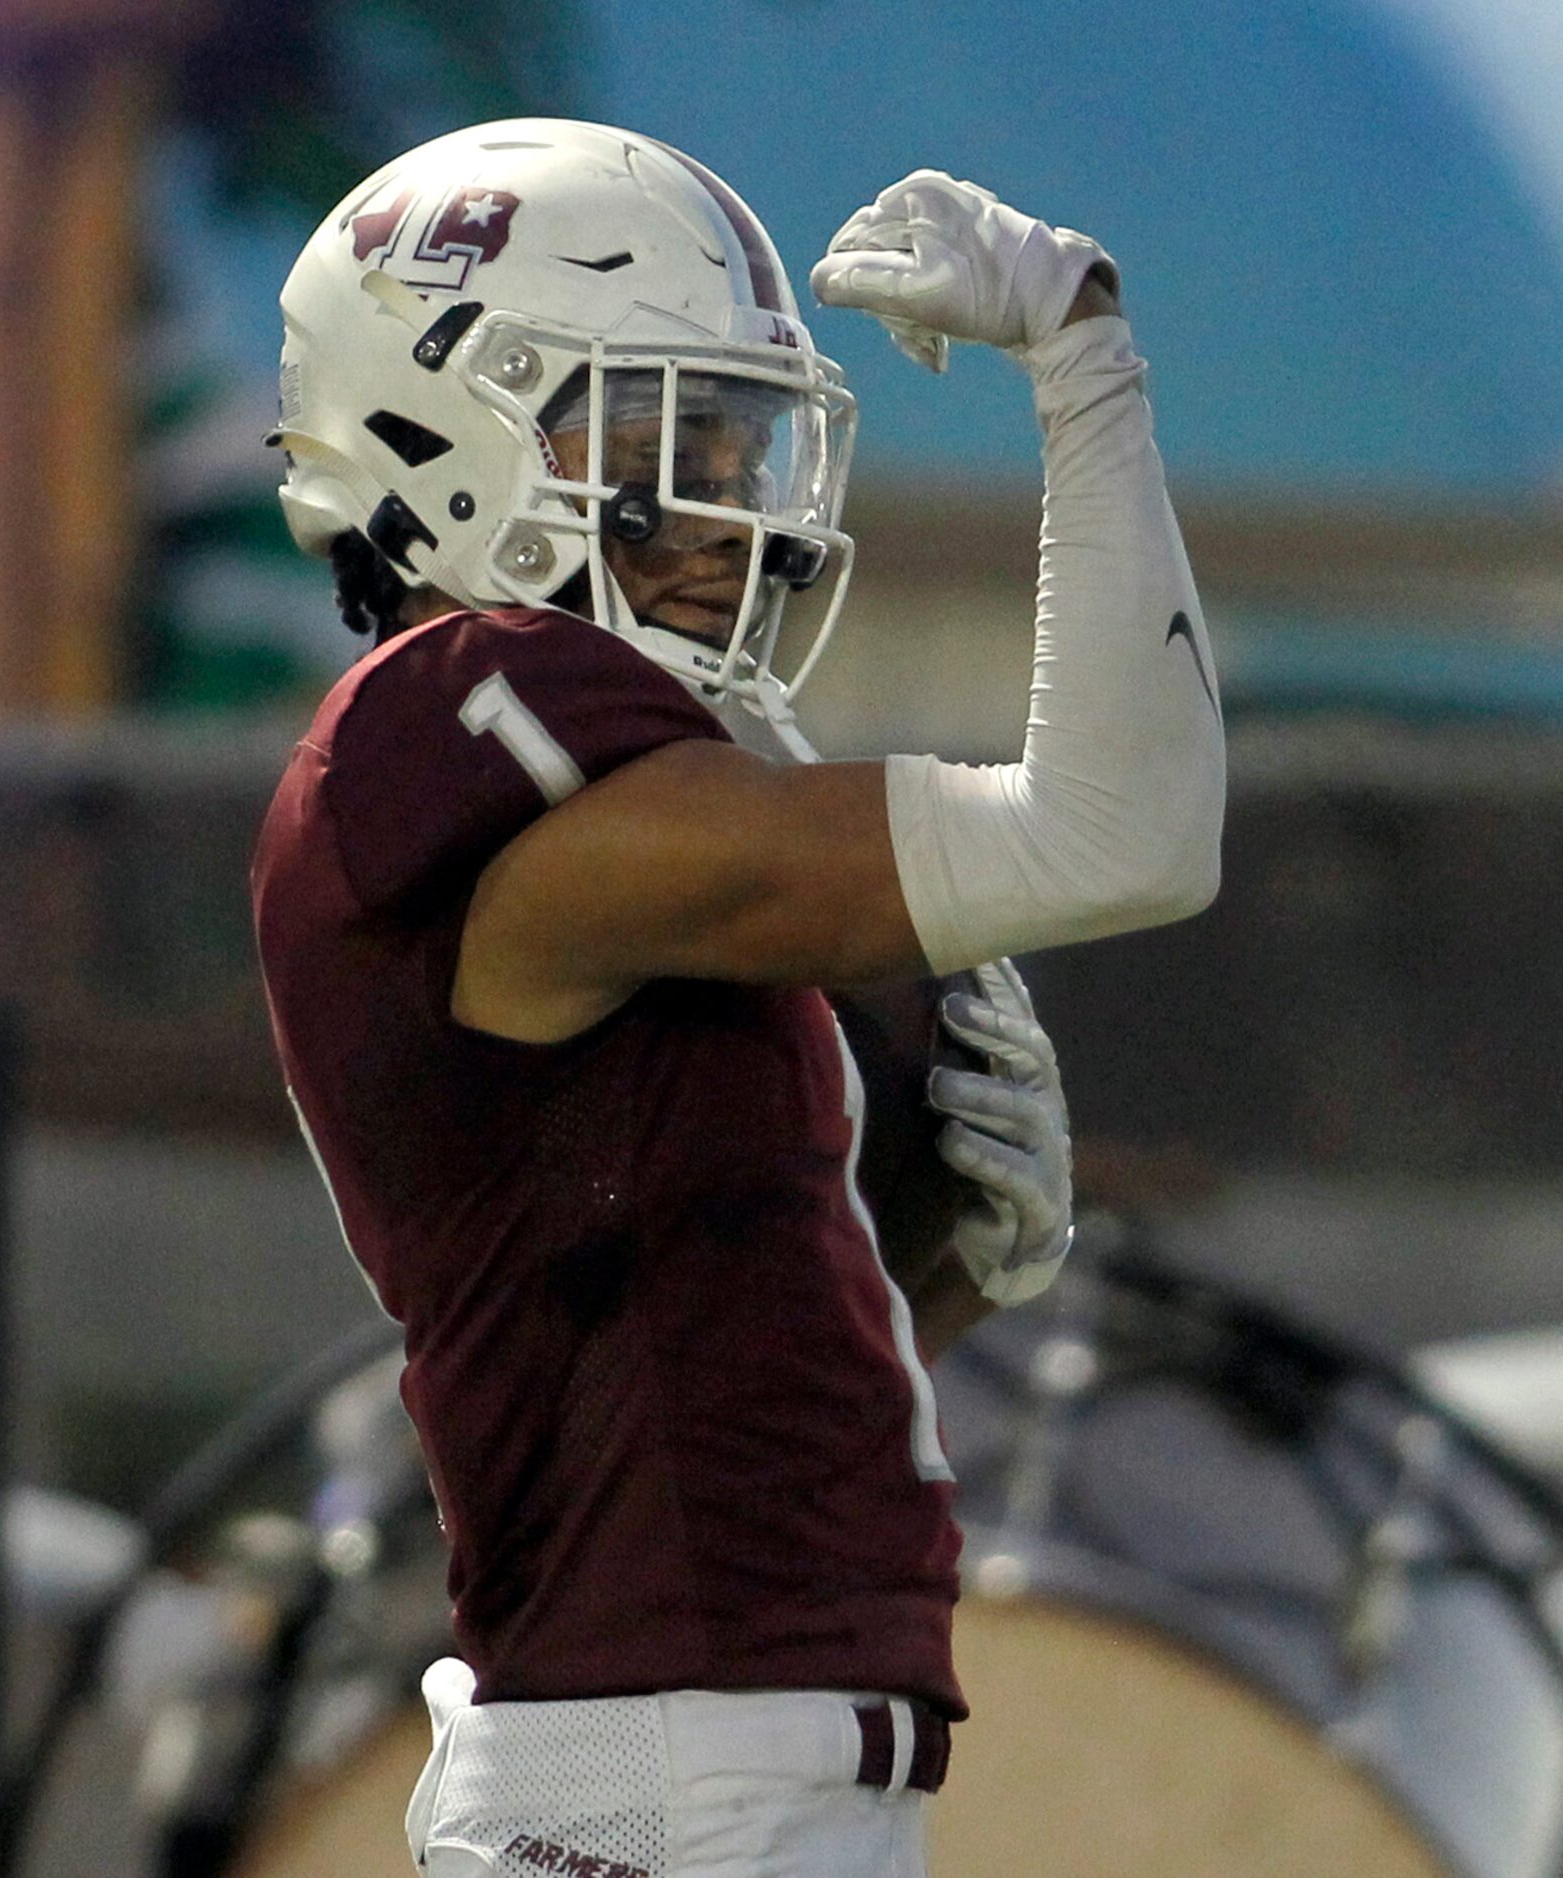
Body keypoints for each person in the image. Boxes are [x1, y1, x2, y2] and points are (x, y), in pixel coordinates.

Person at [252, 118, 1223, 1878]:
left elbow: (667, 1394)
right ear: (437, 423)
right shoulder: (452, 719)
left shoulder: (586, 799)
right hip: (665, 1787)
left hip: (707, 1777)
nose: (720, 503)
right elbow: (1119, 832)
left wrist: (931, 1268)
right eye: (649, 429)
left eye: (733, 436)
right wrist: (1085, 356)